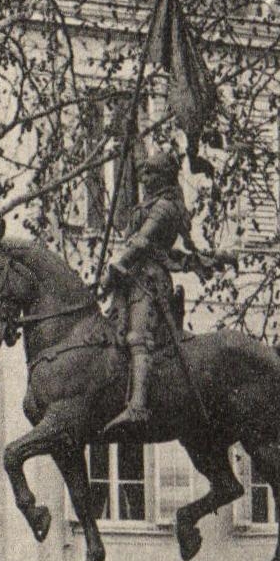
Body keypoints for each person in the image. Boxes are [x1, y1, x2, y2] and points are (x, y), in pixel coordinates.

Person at [100, 149, 213, 434]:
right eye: (143, 172)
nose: (144, 177)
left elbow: (141, 241)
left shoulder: (165, 207)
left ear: (163, 177)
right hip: (133, 277)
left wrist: (116, 266)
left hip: (150, 280)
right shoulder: (148, 204)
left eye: (150, 173)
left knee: (138, 337)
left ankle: (138, 405)